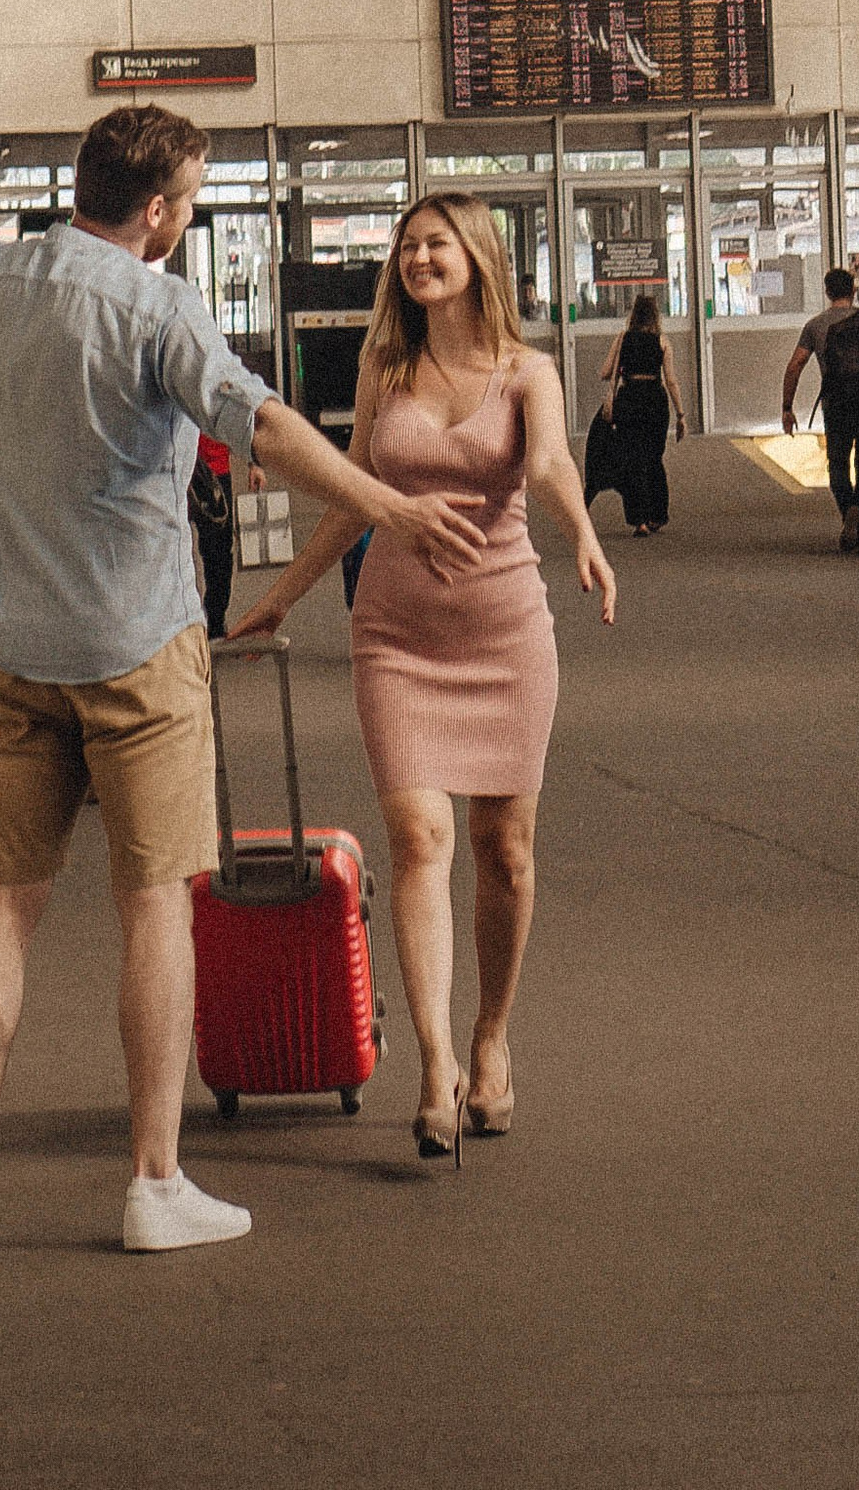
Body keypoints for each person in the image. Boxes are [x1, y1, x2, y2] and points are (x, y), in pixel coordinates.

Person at [0, 104, 483, 1254]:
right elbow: (258, 424)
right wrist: (385, 505)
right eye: (192, 197)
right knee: (154, 904)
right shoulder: (159, 304)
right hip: (136, 649)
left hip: (13, 644)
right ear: (156, 210)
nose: (190, 215)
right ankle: (153, 1187)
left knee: (2, 903)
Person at [232, 192, 614, 1154]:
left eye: (434, 244)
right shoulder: (386, 367)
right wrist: (287, 591)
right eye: (406, 247)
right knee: (416, 833)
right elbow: (357, 490)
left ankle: (492, 1037)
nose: (416, 259)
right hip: (395, 633)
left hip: (505, 632)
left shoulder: (528, 371)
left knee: (505, 847)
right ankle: (436, 1060)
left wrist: (585, 537)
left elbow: (554, 464)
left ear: (477, 255)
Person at [781, 269, 859, 552]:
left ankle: (848, 508)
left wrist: (787, 407)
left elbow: (795, 365)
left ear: (827, 292)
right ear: (853, 290)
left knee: (838, 463)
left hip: (837, 403)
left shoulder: (815, 326)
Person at [598, 288, 684, 536]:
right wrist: (680, 414)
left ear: (633, 315)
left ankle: (640, 521)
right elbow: (671, 381)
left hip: (630, 399)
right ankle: (658, 515)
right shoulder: (662, 341)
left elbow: (605, 372)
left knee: (633, 460)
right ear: (656, 317)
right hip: (655, 401)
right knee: (653, 458)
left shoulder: (623, 338)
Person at [188, 437, 235, 642]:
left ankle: (215, 620)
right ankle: (183, 623)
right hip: (172, 467)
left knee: (219, 552)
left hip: (215, 469)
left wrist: (255, 464)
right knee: (169, 550)